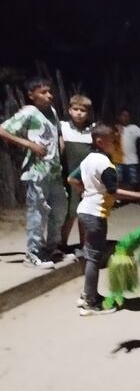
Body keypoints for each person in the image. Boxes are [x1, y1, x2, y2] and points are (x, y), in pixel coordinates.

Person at [68, 123, 140, 315]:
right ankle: (90, 303)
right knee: (94, 258)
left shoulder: (88, 159)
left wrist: (88, 192)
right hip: (95, 214)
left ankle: (87, 294)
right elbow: (114, 191)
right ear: (100, 141)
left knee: (91, 254)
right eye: (112, 140)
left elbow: (72, 179)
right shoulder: (104, 164)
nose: (115, 143)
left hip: (84, 210)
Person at [0, 77, 68, 268]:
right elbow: (3, 130)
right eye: (43, 92)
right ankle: (33, 253)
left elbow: (56, 132)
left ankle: (52, 246)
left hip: (54, 170)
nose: (49, 95)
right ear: (31, 95)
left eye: (49, 91)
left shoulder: (52, 111)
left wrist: (60, 143)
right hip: (36, 171)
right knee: (38, 212)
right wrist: (28, 144)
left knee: (59, 209)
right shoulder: (29, 112)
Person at [60, 94, 94, 252]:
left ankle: (84, 244)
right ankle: (61, 244)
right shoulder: (63, 127)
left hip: (86, 179)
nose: (79, 113)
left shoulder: (92, 130)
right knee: (69, 213)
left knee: (84, 212)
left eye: (83, 110)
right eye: (75, 109)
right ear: (69, 110)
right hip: (68, 178)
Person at [116, 108, 140, 190]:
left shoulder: (133, 128)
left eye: (127, 116)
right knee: (118, 180)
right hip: (118, 160)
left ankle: (138, 198)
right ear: (119, 117)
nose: (125, 118)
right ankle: (119, 199)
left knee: (134, 180)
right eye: (123, 115)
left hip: (132, 160)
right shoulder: (115, 128)